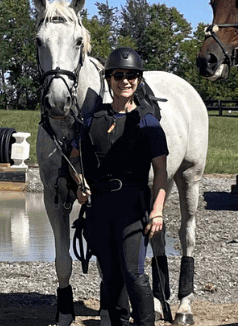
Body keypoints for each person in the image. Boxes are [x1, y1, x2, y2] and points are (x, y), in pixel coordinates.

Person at [72, 48, 169, 326]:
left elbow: (160, 170)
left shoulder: (148, 122)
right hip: (100, 208)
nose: (125, 81)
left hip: (133, 207)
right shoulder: (92, 120)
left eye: (131, 76)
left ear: (138, 80)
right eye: (118, 75)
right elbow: (75, 160)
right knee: (111, 277)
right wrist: (80, 183)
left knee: (133, 273)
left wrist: (157, 210)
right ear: (109, 79)